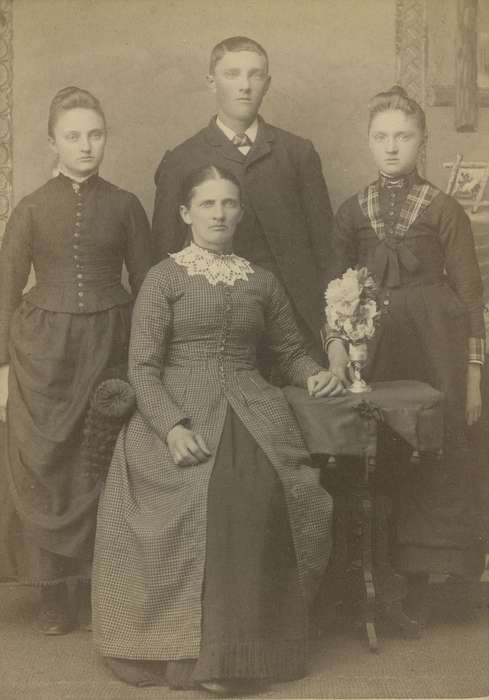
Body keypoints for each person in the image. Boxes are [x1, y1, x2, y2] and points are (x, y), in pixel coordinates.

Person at [93, 164, 341, 695]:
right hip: (178, 409)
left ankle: (252, 652)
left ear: (241, 212)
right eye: (208, 204)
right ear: (186, 213)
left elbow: (291, 350)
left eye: (229, 203)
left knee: (274, 492)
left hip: (255, 408)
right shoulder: (164, 279)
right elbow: (142, 367)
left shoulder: (261, 281)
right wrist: (173, 427)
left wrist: (316, 373)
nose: (220, 213)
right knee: (210, 497)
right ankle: (198, 655)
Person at [326, 85, 487, 612]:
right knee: (384, 445)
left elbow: (469, 295)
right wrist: (344, 344)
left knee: (440, 445)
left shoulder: (443, 210)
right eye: (381, 137)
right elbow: (335, 289)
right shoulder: (352, 211)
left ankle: (443, 575)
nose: (391, 147)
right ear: (369, 142)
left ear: (422, 140)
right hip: (377, 347)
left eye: (403, 136)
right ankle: (383, 567)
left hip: (436, 348)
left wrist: (473, 375)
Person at [0, 87, 152, 634]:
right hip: (44, 353)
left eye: (95, 135)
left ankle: (99, 581)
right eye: (73, 136)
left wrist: (148, 356)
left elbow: (150, 283)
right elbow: (5, 286)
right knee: (49, 461)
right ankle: (51, 593)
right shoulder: (33, 207)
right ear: (52, 143)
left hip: (111, 345)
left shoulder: (126, 204)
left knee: (104, 458)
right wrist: (3, 368)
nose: (86, 146)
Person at [152, 36, 334, 360]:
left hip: (295, 325)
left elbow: (326, 249)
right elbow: (163, 258)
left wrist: (334, 334)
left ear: (267, 83)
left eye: (255, 74)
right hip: (213, 327)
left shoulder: (297, 153)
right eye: (232, 74)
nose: (245, 86)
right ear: (211, 81)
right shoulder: (181, 159)